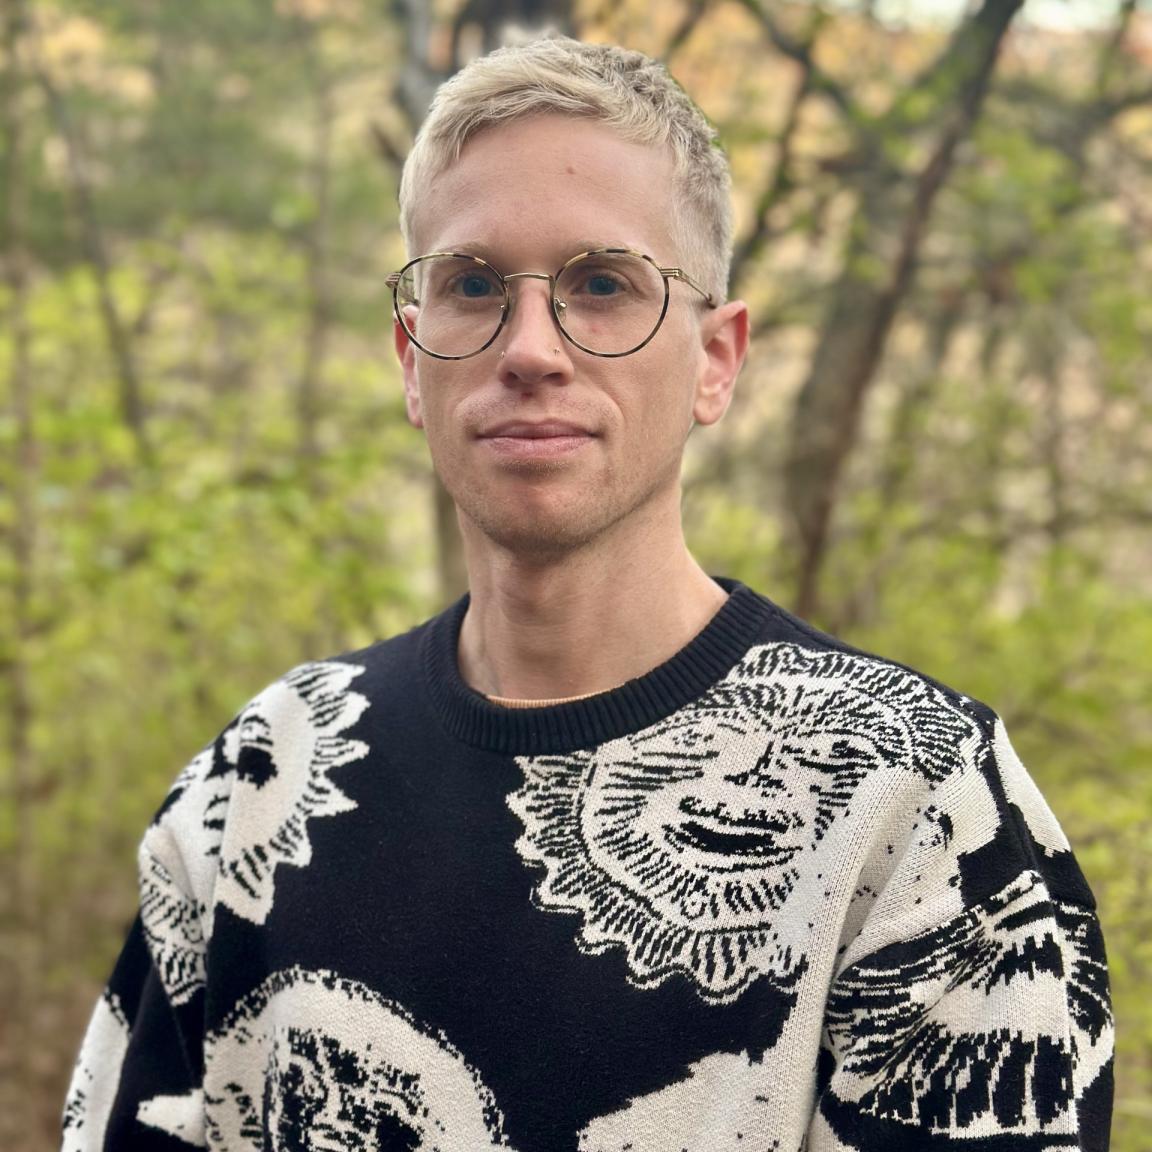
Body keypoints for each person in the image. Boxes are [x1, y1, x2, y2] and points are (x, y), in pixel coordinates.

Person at [62, 37, 1113, 1152]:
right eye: (471, 286)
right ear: (413, 359)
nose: (531, 349)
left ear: (717, 359)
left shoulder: (918, 807)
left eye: (602, 285)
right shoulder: (264, 785)